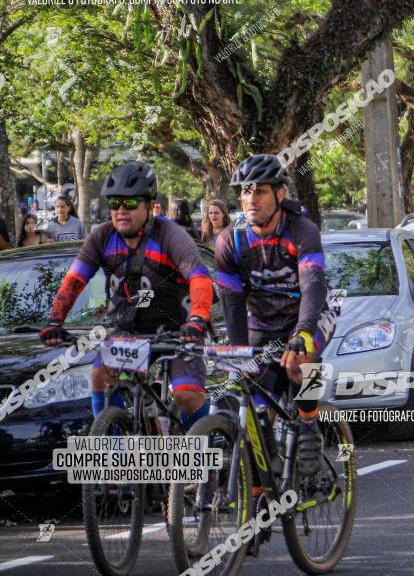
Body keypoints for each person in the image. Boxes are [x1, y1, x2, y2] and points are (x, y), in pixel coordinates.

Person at [39, 161, 214, 431]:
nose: (121, 211)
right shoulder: (102, 236)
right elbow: (74, 281)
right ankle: (115, 453)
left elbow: (200, 277)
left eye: (130, 204)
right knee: (100, 375)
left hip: (179, 331)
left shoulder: (170, 235)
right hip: (130, 331)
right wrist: (54, 321)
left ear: (148, 205)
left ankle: (203, 450)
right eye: (115, 203)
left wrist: (198, 318)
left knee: (185, 394)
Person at [215, 153, 336, 478]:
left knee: (302, 358)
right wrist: (240, 356)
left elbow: (312, 285)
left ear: (280, 194)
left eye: (260, 191)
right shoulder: (231, 241)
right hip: (263, 324)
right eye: (244, 192)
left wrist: (304, 331)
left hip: (308, 315)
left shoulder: (302, 230)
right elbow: (232, 304)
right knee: (254, 402)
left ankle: (309, 422)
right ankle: (263, 486)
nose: (250, 199)